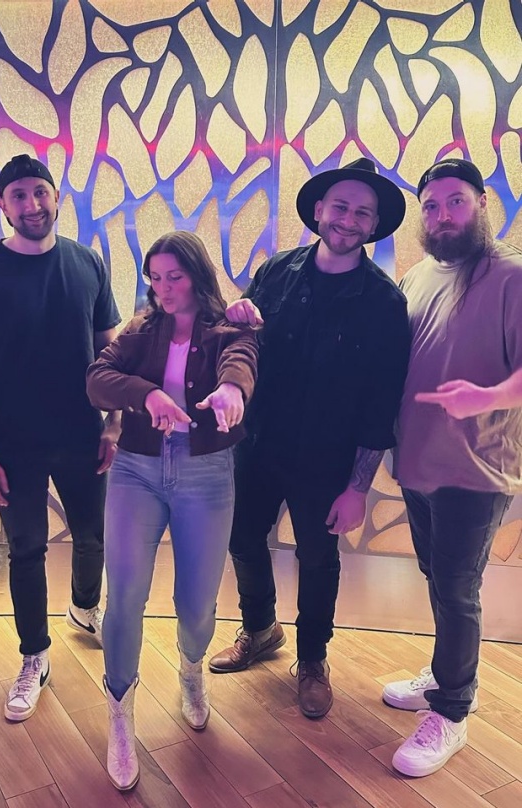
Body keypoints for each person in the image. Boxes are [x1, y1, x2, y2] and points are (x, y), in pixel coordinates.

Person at [208, 158, 411, 720]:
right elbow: (242, 344)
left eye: (362, 213)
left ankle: (314, 659)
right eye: (340, 207)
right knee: (243, 540)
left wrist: (358, 488)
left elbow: (381, 405)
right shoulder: (276, 271)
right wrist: (235, 316)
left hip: (328, 459)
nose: (348, 219)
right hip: (260, 444)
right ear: (319, 211)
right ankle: (260, 629)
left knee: (318, 557)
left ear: (373, 226)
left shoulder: (384, 303)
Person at [0, 154, 121, 721]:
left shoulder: (87, 263)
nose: (32, 205)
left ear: (56, 197)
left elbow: (110, 348)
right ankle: (34, 655)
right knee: (25, 549)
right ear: (2, 205)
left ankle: (84, 607)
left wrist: (115, 422)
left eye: (40, 192)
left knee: (93, 532)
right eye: (18, 195)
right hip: (11, 444)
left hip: (81, 434)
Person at [86, 231, 259, 790]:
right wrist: (147, 394)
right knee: (125, 595)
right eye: (154, 278)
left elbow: (241, 361)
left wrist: (232, 391)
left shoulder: (227, 326)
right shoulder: (141, 328)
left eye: (174, 277)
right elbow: (97, 379)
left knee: (196, 603)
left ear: (197, 274)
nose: (162, 289)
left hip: (205, 475)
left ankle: (190, 672)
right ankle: (120, 714)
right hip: (136, 470)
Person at [383, 158, 522, 777]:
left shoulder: (512, 276)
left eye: (455, 202)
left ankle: (453, 712)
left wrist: (488, 398)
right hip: (417, 462)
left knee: (457, 588)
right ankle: (444, 672)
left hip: (478, 466)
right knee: (438, 576)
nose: (442, 216)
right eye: (432, 206)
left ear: (483, 203)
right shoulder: (417, 278)